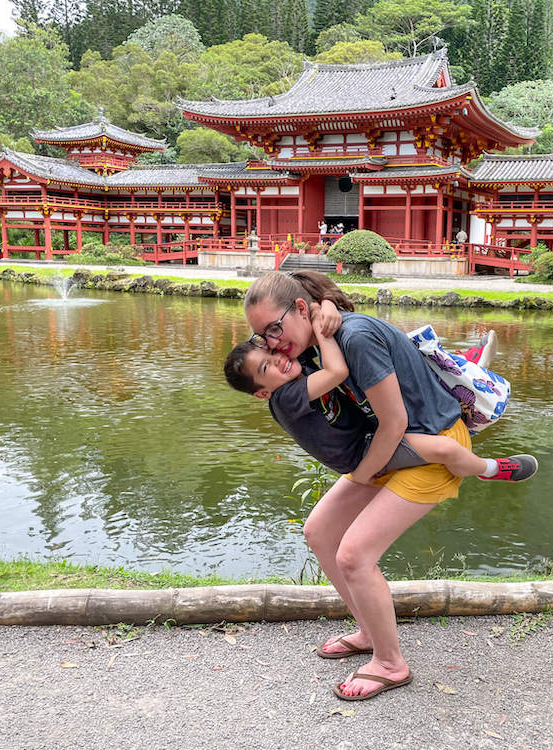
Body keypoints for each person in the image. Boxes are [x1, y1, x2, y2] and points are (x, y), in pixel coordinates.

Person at [241, 271, 536, 701]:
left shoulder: (355, 339)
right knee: (319, 533)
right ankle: (367, 630)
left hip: (430, 442)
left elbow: (396, 420)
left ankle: (390, 663)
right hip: (386, 449)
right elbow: (289, 364)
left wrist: (361, 476)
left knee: (355, 555)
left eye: (273, 329)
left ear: (300, 309)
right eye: (261, 336)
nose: (271, 343)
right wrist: (324, 311)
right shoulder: (306, 346)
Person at [223, 313, 536, 482]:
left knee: (399, 355)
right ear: (262, 392)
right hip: (365, 453)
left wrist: (327, 307)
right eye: (267, 366)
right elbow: (337, 372)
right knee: (445, 448)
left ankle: (461, 362)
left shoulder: (293, 368)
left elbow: (306, 310)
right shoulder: (284, 399)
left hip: (369, 429)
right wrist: (323, 332)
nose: (278, 359)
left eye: (271, 351)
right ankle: (491, 469)